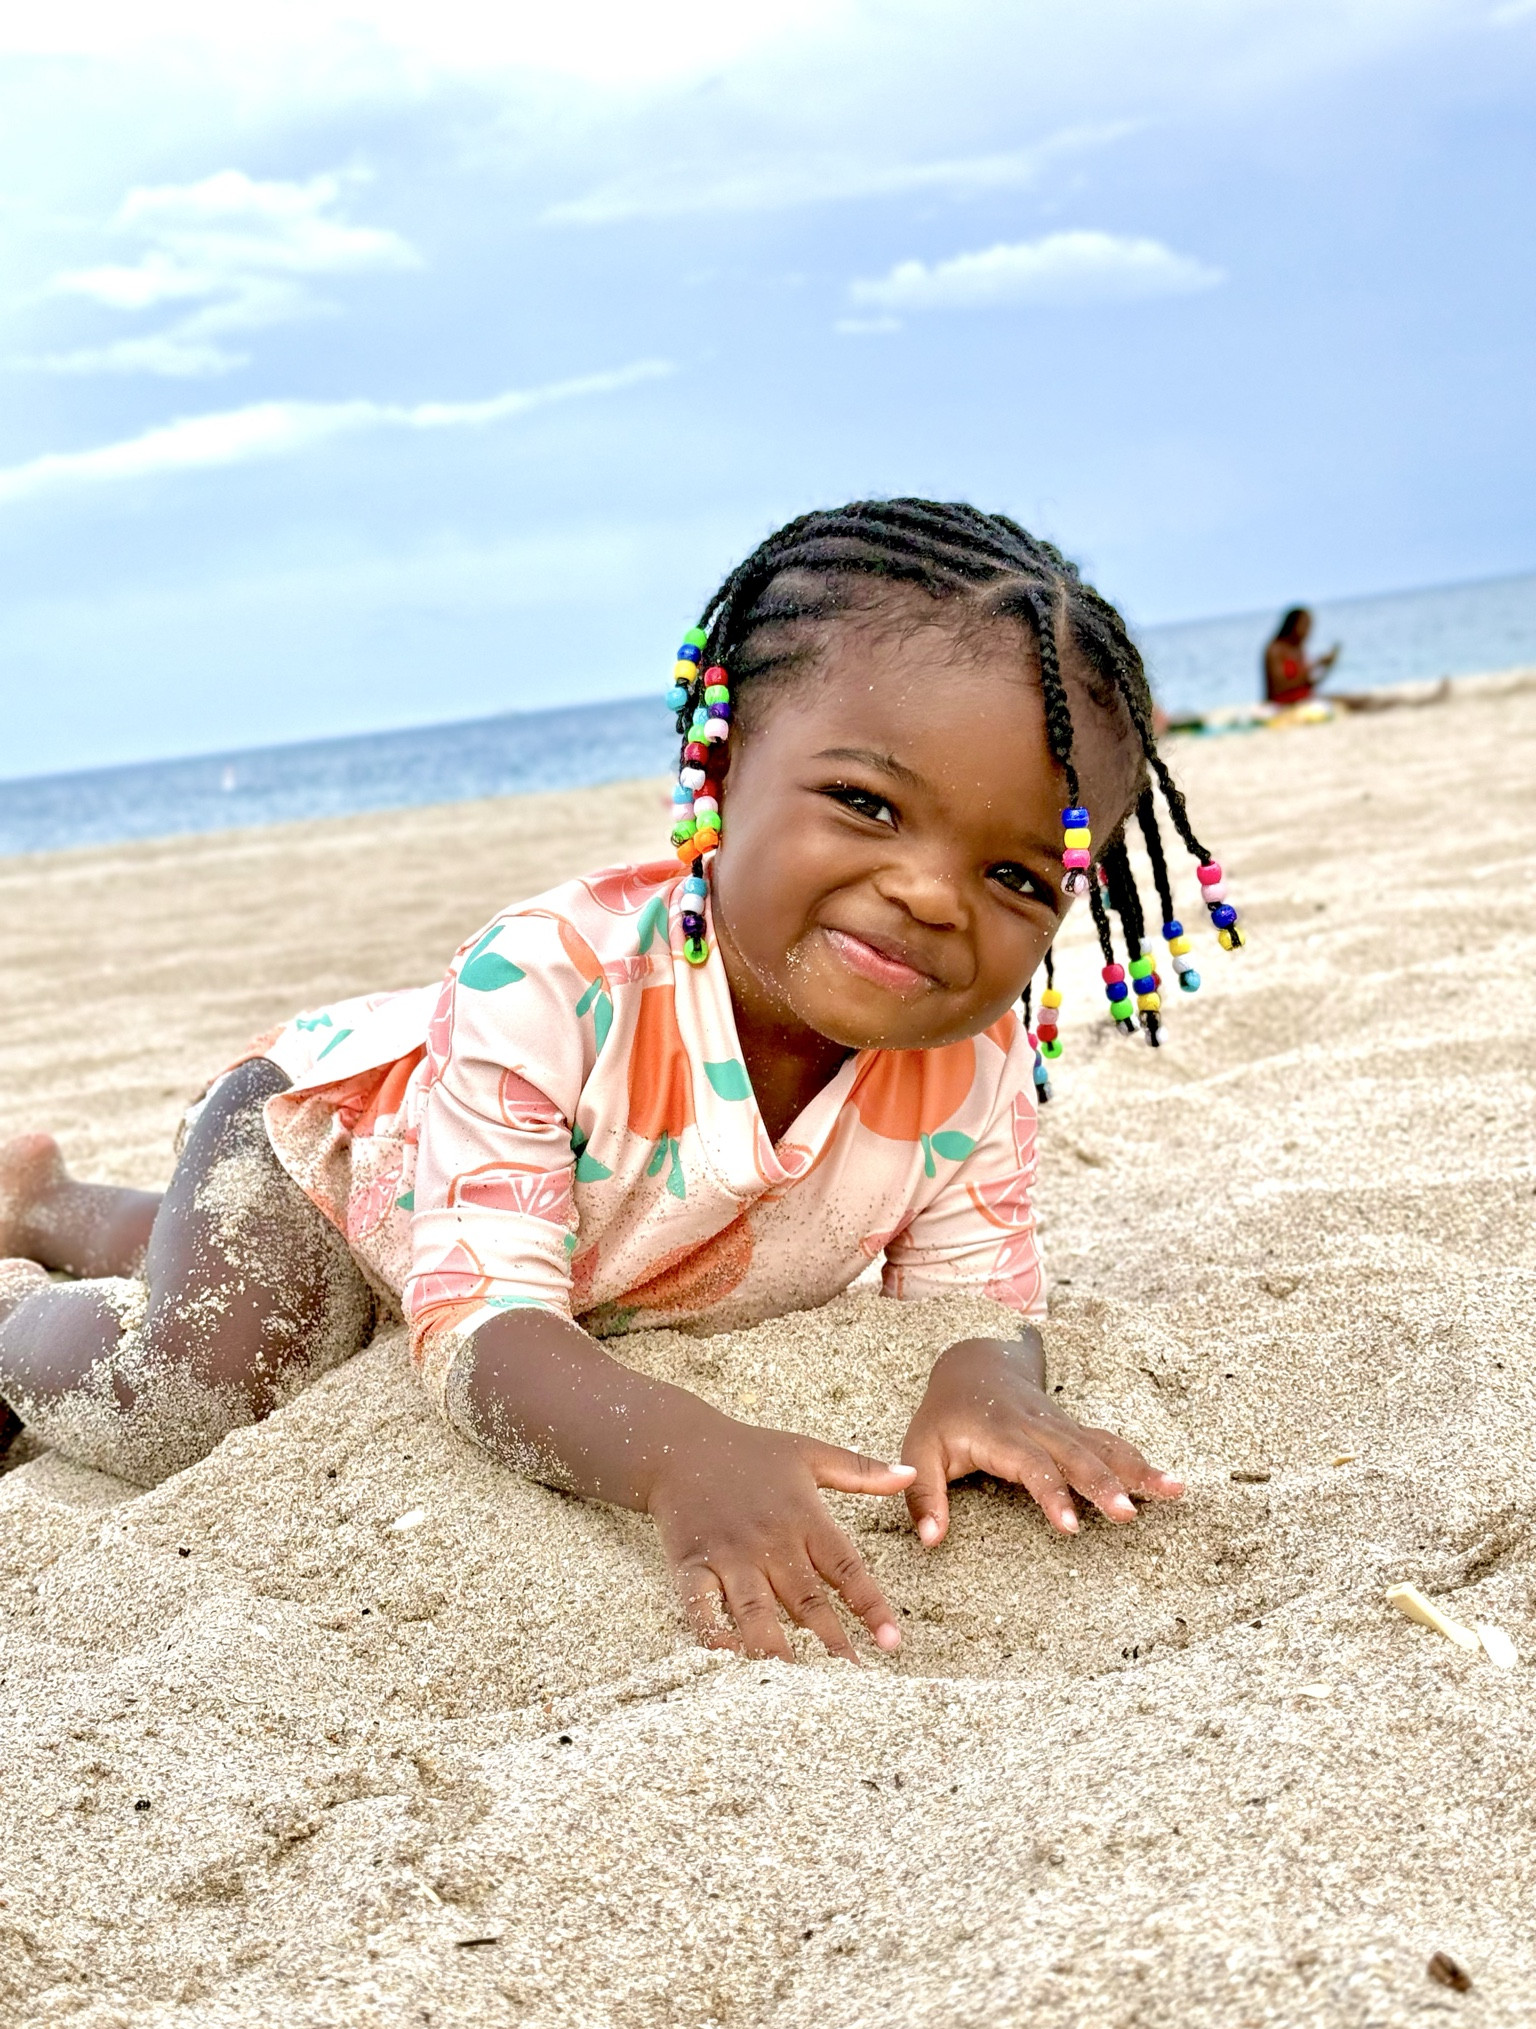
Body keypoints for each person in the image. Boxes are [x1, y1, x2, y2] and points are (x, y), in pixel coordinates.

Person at [0, 499, 1248, 1665]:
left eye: (1021, 879)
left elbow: (971, 1297)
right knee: (205, 1384)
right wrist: (681, 1456)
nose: (932, 894)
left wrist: (988, 1384)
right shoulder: (549, 978)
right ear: (721, 766)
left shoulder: (969, 1069)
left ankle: (51, 1197)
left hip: (532, 1237)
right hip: (321, 1146)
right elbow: (477, 1325)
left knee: (337, 1292)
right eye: (867, 803)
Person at [1264, 607, 1339, 706]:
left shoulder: (1299, 650)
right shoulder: (1275, 649)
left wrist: (1327, 667)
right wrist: (1316, 664)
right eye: (1304, 626)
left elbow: (1309, 684)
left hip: (1304, 700)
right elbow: (1278, 687)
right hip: (1282, 705)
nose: (1307, 631)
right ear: (1292, 625)